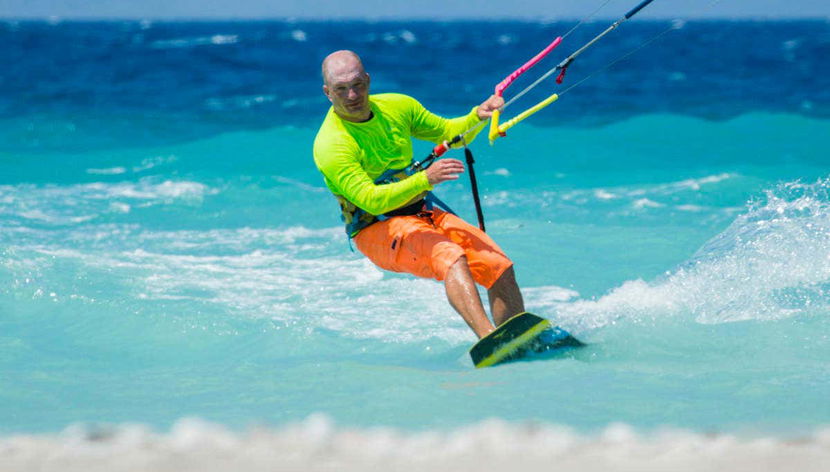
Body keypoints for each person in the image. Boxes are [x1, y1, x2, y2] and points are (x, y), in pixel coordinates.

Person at [313, 50, 525, 339]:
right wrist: (425, 179)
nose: (352, 95)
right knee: (450, 256)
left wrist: (478, 115)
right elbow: (370, 199)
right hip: (375, 227)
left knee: (498, 266)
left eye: (358, 85)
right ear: (327, 92)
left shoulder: (398, 106)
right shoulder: (331, 144)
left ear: (368, 80)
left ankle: (518, 338)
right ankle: (490, 340)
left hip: (421, 211)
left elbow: (450, 133)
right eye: (341, 89)